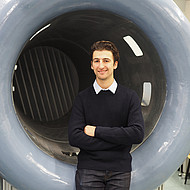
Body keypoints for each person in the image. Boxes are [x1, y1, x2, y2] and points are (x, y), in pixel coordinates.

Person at [68, 40, 144, 190]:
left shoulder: (130, 97)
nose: (101, 66)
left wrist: (96, 131)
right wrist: (119, 141)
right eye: (97, 61)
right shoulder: (82, 98)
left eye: (106, 61)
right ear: (91, 65)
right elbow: (74, 137)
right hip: (89, 170)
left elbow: (137, 134)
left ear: (115, 64)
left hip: (119, 171)